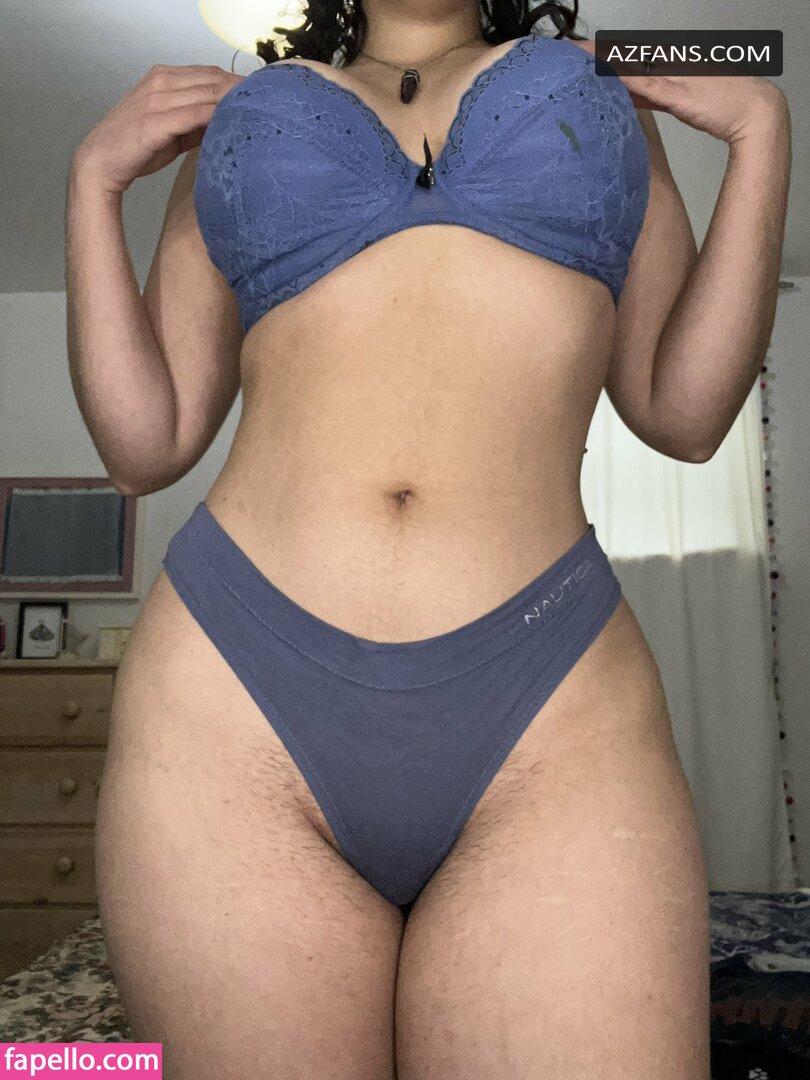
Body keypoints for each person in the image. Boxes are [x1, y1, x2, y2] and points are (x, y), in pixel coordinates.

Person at [64, 0, 791, 1076]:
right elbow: (145, 445)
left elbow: (682, 415)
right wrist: (90, 182)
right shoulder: (245, 113)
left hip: (549, 707)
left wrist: (763, 131)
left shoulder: (599, 82)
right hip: (234, 700)